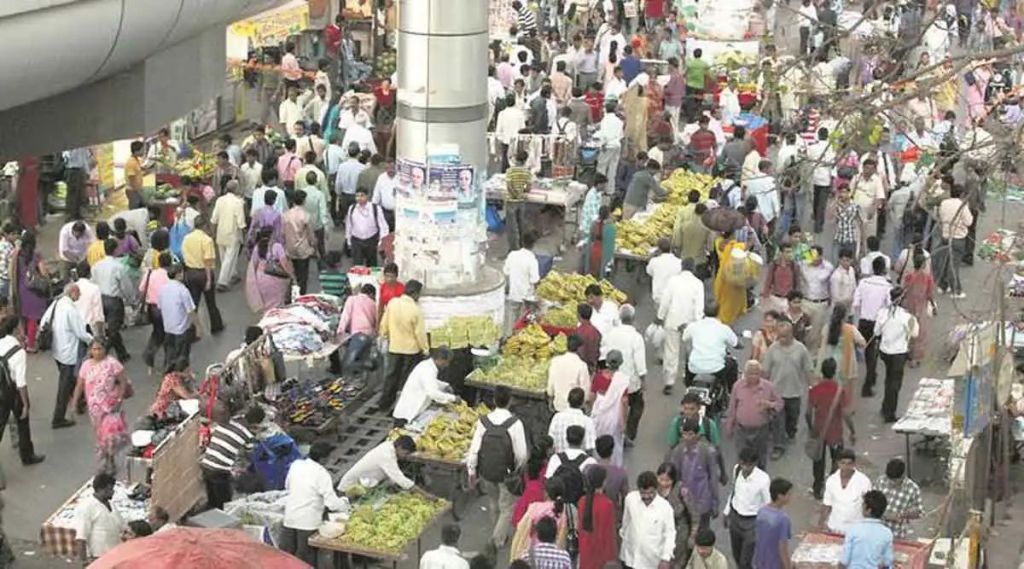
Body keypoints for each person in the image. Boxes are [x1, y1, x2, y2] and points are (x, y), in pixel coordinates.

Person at [468, 385, 529, 548]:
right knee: (507, 507)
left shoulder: (483, 421)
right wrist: (517, 469)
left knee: (493, 503)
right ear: (510, 402)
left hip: (486, 470)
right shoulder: (515, 423)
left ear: (494, 400)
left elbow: (474, 449)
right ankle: (496, 541)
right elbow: (522, 454)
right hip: (506, 472)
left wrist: (471, 471)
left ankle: (497, 534)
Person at [282, 442, 348, 566]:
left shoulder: (296, 465)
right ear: (323, 458)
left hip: (290, 518)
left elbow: (288, 486)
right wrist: (344, 503)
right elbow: (332, 503)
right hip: (308, 522)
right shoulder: (321, 473)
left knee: (288, 556)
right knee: (305, 559)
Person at [70, 340, 131, 473]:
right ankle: (106, 459)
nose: (97, 352)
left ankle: (110, 461)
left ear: (105, 349)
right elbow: (80, 385)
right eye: (95, 349)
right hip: (94, 409)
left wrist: (119, 399)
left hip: (110, 406)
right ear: (90, 351)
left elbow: (123, 381)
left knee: (109, 435)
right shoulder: (86, 365)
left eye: (100, 349)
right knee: (99, 435)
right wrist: (74, 403)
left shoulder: (112, 363)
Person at [807, 358, 856, 500]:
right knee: (837, 460)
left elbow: (808, 413)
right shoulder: (839, 391)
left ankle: (817, 488)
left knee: (818, 461)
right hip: (835, 433)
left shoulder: (815, 390)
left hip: (819, 430)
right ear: (835, 372)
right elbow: (846, 414)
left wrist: (812, 428)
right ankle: (833, 488)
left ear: (822, 372)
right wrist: (852, 431)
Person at [762, 320, 813, 456]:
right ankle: (779, 446)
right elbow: (765, 371)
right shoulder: (772, 349)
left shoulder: (801, 349)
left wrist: (812, 386)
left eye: (785, 336)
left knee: (792, 417)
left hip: (794, 391)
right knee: (778, 420)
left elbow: (808, 369)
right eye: (780, 336)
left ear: (791, 334)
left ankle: (791, 432)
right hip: (777, 392)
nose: (782, 339)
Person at [199, 406, 265, 510]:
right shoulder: (248, 435)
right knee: (225, 504)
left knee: (212, 500)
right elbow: (250, 454)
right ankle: (221, 521)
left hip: (206, 463)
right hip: (220, 469)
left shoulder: (230, 420)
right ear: (256, 423)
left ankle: (209, 515)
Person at [600, 305, 647, 444]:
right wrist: (643, 380)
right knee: (637, 406)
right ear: (633, 319)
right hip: (630, 382)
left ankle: (612, 431)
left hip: (612, 379)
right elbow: (640, 363)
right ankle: (629, 434)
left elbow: (603, 354)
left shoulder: (611, 334)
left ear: (620, 318)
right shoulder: (636, 337)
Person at [0, 315, 44, 465]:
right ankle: (27, 455)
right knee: (23, 422)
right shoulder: (18, 352)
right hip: (11, 391)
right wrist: (25, 404)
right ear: (16, 330)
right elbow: (21, 383)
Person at [379, 280, 429, 410]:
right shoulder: (416, 310)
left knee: (391, 376)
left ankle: (384, 403)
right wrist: (425, 349)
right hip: (411, 351)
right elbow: (420, 334)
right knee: (406, 380)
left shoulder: (393, 303)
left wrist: (384, 335)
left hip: (394, 347)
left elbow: (384, 324)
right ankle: (401, 406)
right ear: (415, 294)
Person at [656, 258, 705, 391]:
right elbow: (699, 307)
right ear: (693, 268)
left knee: (671, 352)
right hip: (690, 324)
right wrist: (698, 323)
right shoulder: (698, 284)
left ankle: (669, 382)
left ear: (682, 267)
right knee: (690, 351)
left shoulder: (673, 281)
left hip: (673, 321)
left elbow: (665, 301)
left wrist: (660, 316)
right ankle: (688, 376)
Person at [724, 360, 782, 471]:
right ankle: (740, 481)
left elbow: (779, 404)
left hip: (761, 430)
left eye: (755, 373)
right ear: (745, 374)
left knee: (760, 458)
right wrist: (729, 427)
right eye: (750, 373)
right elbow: (732, 408)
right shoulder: (737, 386)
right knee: (742, 457)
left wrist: (769, 405)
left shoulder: (768, 387)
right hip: (741, 429)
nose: (752, 376)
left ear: (760, 374)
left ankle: (760, 481)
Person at [667, 418, 720, 532]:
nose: (687, 437)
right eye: (685, 434)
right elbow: (673, 476)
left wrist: (715, 503)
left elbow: (713, 478)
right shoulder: (678, 451)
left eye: (690, 434)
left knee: (702, 533)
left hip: (702, 501)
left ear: (698, 435)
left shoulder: (708, 452)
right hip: (683, 502)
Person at [874, 288, 919, 423]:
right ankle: (890, 413)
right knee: (895, 383)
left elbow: (876, 332)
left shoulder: (883, 313)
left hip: (885, 352)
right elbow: (915, 334)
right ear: (903, 300)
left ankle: (884, 406)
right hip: (899, 353)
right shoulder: (907, 317)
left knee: (888, 379)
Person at [723, 447, 770, 568]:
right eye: (743, 464)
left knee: (746, 560)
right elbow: (734, 491)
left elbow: (767, 504)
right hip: (735, 517)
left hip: (752, 522)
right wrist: (727, 510)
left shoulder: (763, 479)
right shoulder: (737, 470)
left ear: (755, 463)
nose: (745, 468)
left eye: (748, 465)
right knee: (737, 555)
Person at [620, 471, 676, 569]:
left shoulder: (665, 508)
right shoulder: (630, 499)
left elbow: (670, 534)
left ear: (656, 489)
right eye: (643, 493)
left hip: (651, 563)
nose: (646, 496)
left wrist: (665, 558)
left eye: (650, 493)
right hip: (630, 558)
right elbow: (626, 523)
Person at [852, 256, 891, 397]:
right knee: (872, 354)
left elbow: (855, 303)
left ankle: (871, 377)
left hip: (863, 321)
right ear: (884, 269)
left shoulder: (863, 283)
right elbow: (889, 305)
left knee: (867, 350)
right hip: (878, 323)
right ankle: (868, 384)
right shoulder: (886, 286)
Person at [817, 303, 866, 415]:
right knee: (847, 386)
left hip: (830, 359)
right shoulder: (850, 329)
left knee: (830, 384)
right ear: (845, 316)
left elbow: (822, 341)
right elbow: (862, 342)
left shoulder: (827, 328)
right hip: (846, 361)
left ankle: (828, 404)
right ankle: (845, 407)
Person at [91, 239, 133, 361]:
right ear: (115, 250)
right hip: (114, 300)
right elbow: (126, 286)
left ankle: (122, 352)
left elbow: (94, 282)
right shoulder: (119, 267)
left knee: (111, 329)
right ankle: (100, 353)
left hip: (100, 298)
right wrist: (130, 299)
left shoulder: (96, 266)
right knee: (114, 329)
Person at [181, 216, 224, 335]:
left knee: (193, 303)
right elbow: (208, 261)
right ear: (205, 226)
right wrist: (209, 280)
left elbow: (184, 256)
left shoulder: (186, 238)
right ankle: (216, 326)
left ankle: (192, 330)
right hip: (203, 274)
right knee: (210, 302)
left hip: (190, 272)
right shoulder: (207, 240)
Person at [393, 348, 457, 424]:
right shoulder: (428, 369)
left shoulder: (427, 365)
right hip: (407, 413)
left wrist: (445, 386)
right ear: (440, 359)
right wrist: (453, 398)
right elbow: (433, 393)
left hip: (412, 409)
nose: (447, 365)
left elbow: (429, 381)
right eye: (446, 362)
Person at [683, 304, 739, 389]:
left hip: (694, 368)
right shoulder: (723, 328)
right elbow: (736, 344)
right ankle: (731, 392)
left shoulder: (694, 326)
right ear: (718, 312)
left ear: (704, 312)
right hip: (716, 368)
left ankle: (688, 385)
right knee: (733, 363)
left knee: (688, 358)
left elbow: (684, 337)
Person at [74, 473, 126, 563]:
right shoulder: (86, 507)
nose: (113, 492)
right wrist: (85, 562)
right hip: (99, 558)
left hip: (116, 555)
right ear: (101, 489)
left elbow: (121, 525)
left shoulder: (111, 504)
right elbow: (81, 538)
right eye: (110, 489)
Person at [819, 449, 873, 534]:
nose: (846, 467)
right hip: (835, 527)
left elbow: (868, 505)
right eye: (843, 463)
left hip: (856, 528)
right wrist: (821, 524)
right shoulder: (831, 480)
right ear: (838, 464)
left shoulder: (864, 481)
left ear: (854, 464)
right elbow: (827, 504)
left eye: (849, 464)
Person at [590, 350, 630, 466]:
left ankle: (597, 464)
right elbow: (624, 402)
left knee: (598, 440)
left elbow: (592, 395)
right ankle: (614, 466)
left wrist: (594, 409)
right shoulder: (622, 380)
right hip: (614, 416)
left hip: (599, 414)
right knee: (615, 442)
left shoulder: (598, 377)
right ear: (620, 363)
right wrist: (623, 422)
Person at [12, 233, 51, 352]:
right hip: (34, 291)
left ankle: (23, 341)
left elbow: (12, 270)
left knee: (23, 316)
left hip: (21, 289)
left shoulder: (17, 255)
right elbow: (44, 272)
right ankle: (31, 344)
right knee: (33, 319)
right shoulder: (36, 256)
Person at [337, 436, 417, 491]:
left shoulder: (388, 446)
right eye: (405, 453)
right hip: (350, 488)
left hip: (365, 485)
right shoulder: (386, 455)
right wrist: (426, 495)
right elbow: (400, 479)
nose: (405, 456)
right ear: (400, 447)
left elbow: (391, 473)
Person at [245, 226, 295, 315]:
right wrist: (292, 275)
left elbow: (254, 263)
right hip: (275, 279)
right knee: (276, 304)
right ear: (272, 235)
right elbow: (284, 264)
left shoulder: (258, 247)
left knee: (266, 305)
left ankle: (265, 321)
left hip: (260, 279)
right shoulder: (277, 246)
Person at [655, 462, 698, 566]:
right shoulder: (655, 489)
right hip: (659, 531)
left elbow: (694, 515)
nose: (663, 484)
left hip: (679, 532)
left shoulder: (682, 491)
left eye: (667, 481)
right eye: (661, 479)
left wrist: (692, 536)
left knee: (677, 562)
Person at [158, 263, 199, 369]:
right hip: (181, 330)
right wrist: (198, 327)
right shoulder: (183, 290)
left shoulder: (163, 289)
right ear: (179, 274)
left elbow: (160, 306)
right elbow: (191, 311)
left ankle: (168, 377)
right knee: (182, 359)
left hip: (168, 328)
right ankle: (181, 379)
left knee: (170, 356)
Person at [839, 490, 894, 569]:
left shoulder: (854, 530)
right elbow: (887, 562)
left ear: (869, 510)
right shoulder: (887, 533)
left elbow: (844, 561)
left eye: (863, 505)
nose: (861, 507)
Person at [935, 185, 973, 298]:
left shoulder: (944, 203)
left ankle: (943, 285)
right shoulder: (962, 206)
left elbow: (940, 217)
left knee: (946, 261)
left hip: (945, 235)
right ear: (961, 195)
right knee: (953, 264)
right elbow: (969, 221)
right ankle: (956, 290)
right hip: (958, 237)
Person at [209, 180, 247, 291]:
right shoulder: (238, 202)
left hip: (220, 232)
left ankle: (233, 274)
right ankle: (222, 282)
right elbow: (241, 222)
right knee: (229, 258)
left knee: (223, 257)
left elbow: (214, 219)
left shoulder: (220, 200)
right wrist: (244, 235)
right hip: (233, 234)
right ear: (236, 189)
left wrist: (213, 233)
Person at [578, 466, 618, 569]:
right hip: (600, 554)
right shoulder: (607, 504)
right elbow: (609, 534)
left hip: (585, 550)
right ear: (604, 482)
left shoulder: (582, 501)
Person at [900, 252, 934, 368]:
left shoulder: (909, 276)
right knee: (920, 333)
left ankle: (908, 353)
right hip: (921, 307)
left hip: (909, 306)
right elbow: (929, 294)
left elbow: (904, 290)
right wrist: (933, 305)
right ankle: (915, 358)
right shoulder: (927, 278)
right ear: (923, 264)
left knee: (908, 330)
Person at [875, 458, 922, 540]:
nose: (892, 482)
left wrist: (902, 515)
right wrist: (885, 515)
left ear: (903, 475)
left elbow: (919, 512)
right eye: (890, 480)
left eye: (895, 480)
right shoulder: (880, 481)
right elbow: (870, 505)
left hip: (897, 535)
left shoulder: (912, 488)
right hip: (876, 532)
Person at [504, 230, 541, 334]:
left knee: (513, 318)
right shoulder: (532, 259)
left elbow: (506, 271)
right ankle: (523, 339)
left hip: (514, 293)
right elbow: (535, 279)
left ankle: (510, 337)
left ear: (522, 242)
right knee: (526, 321)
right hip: (527, 296)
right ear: (534, 244)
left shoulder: (512, 255)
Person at [752, 478, 794, 569]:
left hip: (760, 561)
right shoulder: (783, 519)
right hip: (775, 564)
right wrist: (788, 566)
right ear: (780, 496)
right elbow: (782, 548)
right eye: (789, 494)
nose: (791, 497)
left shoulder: (761, 511)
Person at [282, 190, 317, 295]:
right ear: (304, 201)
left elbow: (282, 233)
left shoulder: (286, 215)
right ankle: (301, 296)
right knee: (303, 276)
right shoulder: (306, 216)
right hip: (303, 249)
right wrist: (314, 246)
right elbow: (311, 235)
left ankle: (291, 294)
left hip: (289, 248)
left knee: (292, 274)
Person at [346, 187, 389, 267]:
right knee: (357, 266)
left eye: (362, 196)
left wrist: (382, 242)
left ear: (367, 196)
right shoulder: (352, 208)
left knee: (372, 266)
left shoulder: (375, 208)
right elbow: (349, 225)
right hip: (356, 241)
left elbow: (383, 226)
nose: (359, 198)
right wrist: (348, 240)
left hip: (371, 240)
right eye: (357, 196)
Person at [547, 335, 591, 412]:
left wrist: (550, 399)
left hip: (558, 404)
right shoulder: (582, 365)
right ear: (579, 349)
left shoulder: (555, 361)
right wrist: (585, 405)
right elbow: (585, 389)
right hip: (575, 407)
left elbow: (551, 384)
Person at [712, 232, 748, 325]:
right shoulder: (736, 246)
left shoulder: (718, 242)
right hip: (734, 278)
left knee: (722, 303)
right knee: (732, 305)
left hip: (722, 277)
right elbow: (748, 246)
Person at [549, 388, 596, 454]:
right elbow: (590, 448)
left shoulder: (557, 418)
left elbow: (550, 441)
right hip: (581, 462)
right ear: (583, 403)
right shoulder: (587, 421)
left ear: (568, 400)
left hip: (559, 460)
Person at [504, 151, 532, 251]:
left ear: (516, 159)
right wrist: (521, 192)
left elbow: (509, 186)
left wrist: (514, 194)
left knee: (512, 227)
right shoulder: (527, 172)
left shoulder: (510, 171)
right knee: (521, 224)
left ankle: (513, 249)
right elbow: (528, 188)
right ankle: (521, 246)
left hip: (511, 200)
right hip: (521, 201)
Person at [646, 238, 681, 307]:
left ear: (659, 249)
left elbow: (649, 272)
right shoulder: (679, 262)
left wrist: (651, 257)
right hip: (673, 297)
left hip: (659, 296)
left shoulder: (654, 261)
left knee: (660, 315)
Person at [584, 206, 617, 278]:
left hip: (594, 251)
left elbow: (591, 238)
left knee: (593, 272)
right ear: (608, 215)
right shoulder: (611, 227)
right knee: (602, 272)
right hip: (604, 252)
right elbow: (611, 245)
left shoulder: (594, 224)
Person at [575, 304, 602, 373]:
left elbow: (580, 352)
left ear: (579, 315)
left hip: (582, 368)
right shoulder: (596, 331)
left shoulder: (578, 332)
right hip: (593, 367)